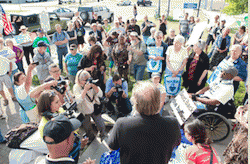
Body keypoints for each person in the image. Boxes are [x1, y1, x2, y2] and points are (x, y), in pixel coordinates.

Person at [107, 81, 181, 164]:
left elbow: (111, 148)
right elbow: (177, 144)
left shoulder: (122, 124)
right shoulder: (173, 124)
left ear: (135, 103)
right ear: (159, 102)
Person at [73, 70, 106, 142]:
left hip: (94, 107)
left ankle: (103, 135)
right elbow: (78, 100)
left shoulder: (92, 84)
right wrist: (85, 90)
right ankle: (92, 139)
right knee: (87, 128)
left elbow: (101, 95)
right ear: (80, 81)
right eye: (85, 80)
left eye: (89, 79)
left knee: (101, 124)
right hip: (84, 110)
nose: (88, 81)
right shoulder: (76, 87)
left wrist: (95, 87)